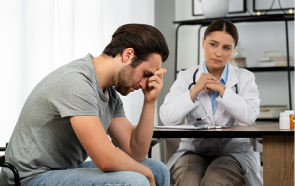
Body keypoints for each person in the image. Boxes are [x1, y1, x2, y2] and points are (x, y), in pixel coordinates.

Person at [0, 23, 170, 186]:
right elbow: (105, 158)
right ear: (128, 55)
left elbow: (136, 152)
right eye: (145, 74)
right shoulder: (76, 81)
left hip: (62, 171)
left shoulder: (110, 94)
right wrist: (145, 173)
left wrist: (150, 101)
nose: (144, 84)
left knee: (158, 170)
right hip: (29, 177)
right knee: (137, 180)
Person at [160, 19, 262, 186]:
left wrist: (222, 90)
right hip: (193, 150)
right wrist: (194, 90)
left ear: (233, 50)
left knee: (215, 179)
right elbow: (167, 117)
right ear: (203, 42)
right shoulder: (186, 77)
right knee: (188, 179)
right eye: (213, 44)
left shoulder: (244, 77)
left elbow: (249, 116)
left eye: (226, 48)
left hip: (233, 152)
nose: (218, 53)